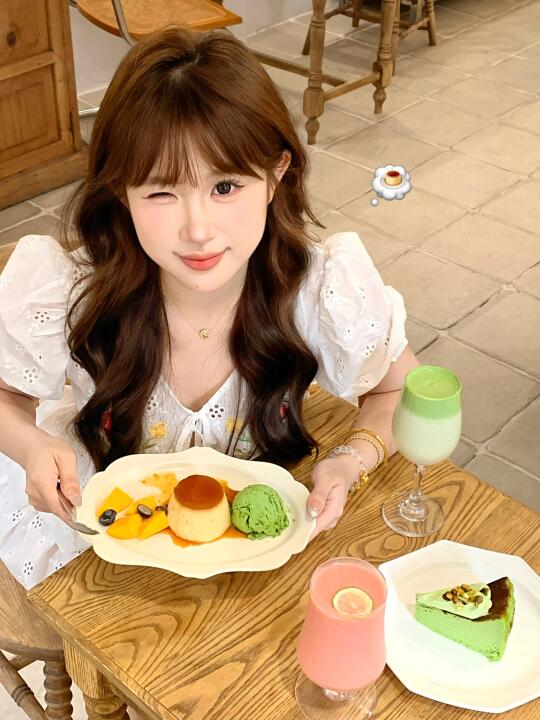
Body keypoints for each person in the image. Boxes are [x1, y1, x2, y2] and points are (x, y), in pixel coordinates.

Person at [0, 27, 419, 590]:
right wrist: (30, 445)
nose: (198, 230)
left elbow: (402, 390)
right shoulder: (71, 289)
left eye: (225, 187)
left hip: (251, 559)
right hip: (102, 546)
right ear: (121, 192)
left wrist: (351, 460)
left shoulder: (318, 287)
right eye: (161, 191)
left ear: (276, 174)